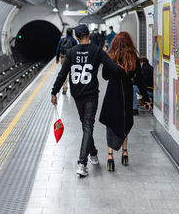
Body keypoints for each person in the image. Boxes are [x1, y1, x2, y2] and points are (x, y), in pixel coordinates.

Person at [51, 24, 125, 177]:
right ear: (89, 36)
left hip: (77, 94)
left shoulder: (71, 52)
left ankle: (82, 162)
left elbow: (62, 74)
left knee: (86, 125)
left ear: (77, 38)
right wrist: (127, 72)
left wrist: (54, 92)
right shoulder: (97, 51)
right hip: (91, 94)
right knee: (87, 126)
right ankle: (93, 154)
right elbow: (113, 67)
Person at [99, 32, 152, 172]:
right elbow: (140, 81)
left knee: (111, 124)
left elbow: (104, 77)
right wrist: (146, 99)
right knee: (124, 121)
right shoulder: (133, 58)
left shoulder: (111, 58)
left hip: (112, 93)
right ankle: (125, 153)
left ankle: (110, 156)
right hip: (127, 94)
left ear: (114, 43)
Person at [55, 28, 77, 94]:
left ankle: (64, 88)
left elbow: (58, 49)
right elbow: (76, 50)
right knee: (72, 73)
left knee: (64, 73)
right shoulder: (74, 41)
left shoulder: (62, 40)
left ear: (66, 33)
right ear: (72, 33)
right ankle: (73, 89)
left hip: (63, 57)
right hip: (71, 58)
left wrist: (57, 59)